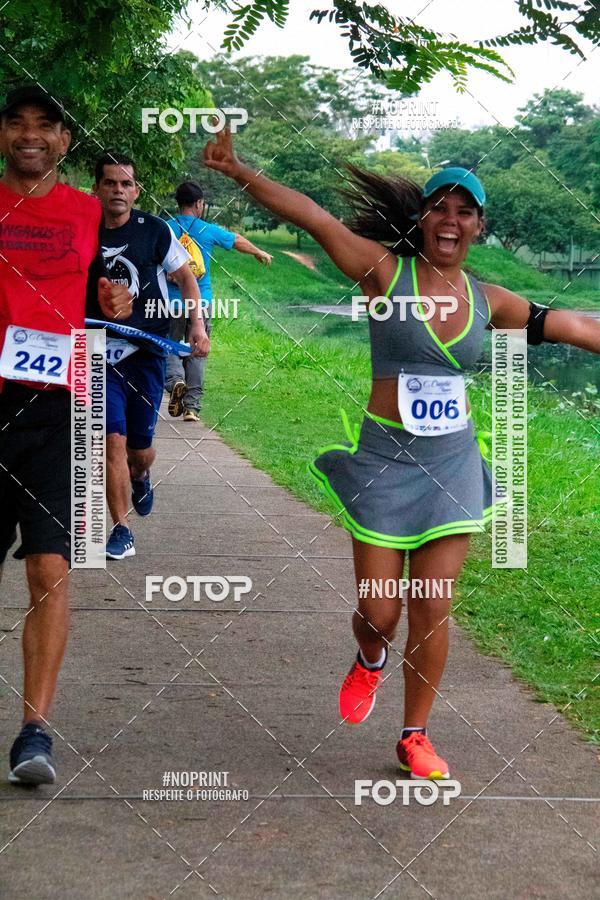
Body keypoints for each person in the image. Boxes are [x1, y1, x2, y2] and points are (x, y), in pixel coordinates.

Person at [204, 129, 600, 779]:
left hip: (451, 470)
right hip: (385, 466)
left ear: (479, 226)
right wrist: (238, 168)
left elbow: (576, 326)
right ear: (422, 218)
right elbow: (313, 215)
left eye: (464, 210)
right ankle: (369, 657)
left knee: (432, 603)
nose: (450, 218)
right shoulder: (385, 273)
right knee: (380, 611)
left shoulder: (488, 301)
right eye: (439, 206)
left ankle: (415, 735)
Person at [0, 86, 131, 785]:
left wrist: (111, 302)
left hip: (60, 410)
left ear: (63, 142)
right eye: (16, 124)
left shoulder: (86, 212)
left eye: (44, 127)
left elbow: (97, 293)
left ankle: (33, 732)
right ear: (3, 136)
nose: (30, 136)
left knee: (50, 568)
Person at [87, 154, 209, 559]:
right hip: (97, 351)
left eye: (126, 184)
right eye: (110, 183)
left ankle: (142, 476)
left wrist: (196, 325)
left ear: (136, 191)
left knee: (139, 449)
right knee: (111, 440)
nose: (118, 191)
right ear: (97, 189)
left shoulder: (154, 231)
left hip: (146, 352)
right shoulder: (83, 231)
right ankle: (121, 530)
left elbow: (187, 277)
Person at [164, 180, 272, 421]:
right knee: (198, 350)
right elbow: (236, 240)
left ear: (178, 203)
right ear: (199, 204)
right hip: (201, 303)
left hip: (169, 302)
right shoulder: (207, 230)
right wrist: (258, 252)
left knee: (169, 346)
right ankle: (192, 407)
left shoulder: (165, 228)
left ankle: (175, 382)